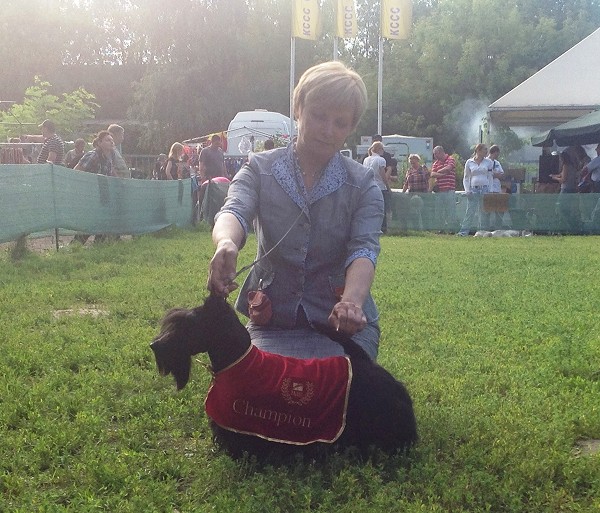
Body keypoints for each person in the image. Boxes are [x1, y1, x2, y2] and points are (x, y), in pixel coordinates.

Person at [207, 60, 383, 361]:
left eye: (340, 123)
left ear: (351, 128)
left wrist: (352, 303)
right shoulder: (259, 168)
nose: (327, 130)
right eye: (318, 116)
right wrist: (226, 242)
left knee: (334, 384)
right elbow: (234, 210)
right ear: (298, 109)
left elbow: (364, 249)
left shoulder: (363, 184)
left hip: (342, 328)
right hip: (272, 321)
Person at [72, 131, 115, 244]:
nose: (111, 142)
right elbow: (77, 171)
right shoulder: (93, 155)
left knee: (103, 219)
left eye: (112, 140)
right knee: (91, 221)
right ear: (99, 143)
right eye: (108, 140)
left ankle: (98, 245)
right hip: (90, 194)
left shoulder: (109, 157)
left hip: (102, 195)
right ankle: (76, 245)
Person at [457, 143, 492, 236]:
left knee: (484, 212)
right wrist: (467, 190)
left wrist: (490, 190)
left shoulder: (488, 162)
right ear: (478, 150)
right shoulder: (469, 162)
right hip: (473, 190)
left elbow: (490, 177)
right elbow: (466, 177)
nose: (486, 151)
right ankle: (463, 232)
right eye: (484, 149)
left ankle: (482, 232)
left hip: (485, 189)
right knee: (470, 211)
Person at [363, 141, 391, 233]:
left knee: (370, 208)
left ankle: (370, 227)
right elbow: (383, 176)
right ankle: (383, 228)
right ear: (379, 149)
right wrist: (388, 187)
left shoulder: (366, 160)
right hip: (380, 187)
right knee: (382, 208)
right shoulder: (381, 160)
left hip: (369, 187)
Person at [551, 150, 581, 232]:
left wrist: (554, 178)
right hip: (572, 189)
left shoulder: (565, 165)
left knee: (561, 208)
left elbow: (563, 179)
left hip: (566, 189)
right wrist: (554, 175)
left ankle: (570, 226)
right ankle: (571, 225)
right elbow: (561, 174)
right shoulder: (572, 166)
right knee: (568, 208)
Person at [429, 145, 456, 232]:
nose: (435, 156)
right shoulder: (436, 163)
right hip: (440, 190)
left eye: (436, 154)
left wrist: (439, 171)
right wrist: (442, 174)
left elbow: (449, 168)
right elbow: (432, 174)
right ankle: (440, 228)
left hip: (449, 189)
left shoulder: (450, 159)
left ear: (440, 152)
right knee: (439, 211)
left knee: (450, 210)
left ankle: (451, 229)